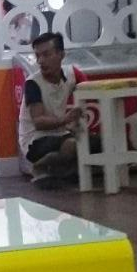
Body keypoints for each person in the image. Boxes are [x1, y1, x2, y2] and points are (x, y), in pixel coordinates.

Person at [18, 30, 82, 180]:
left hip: (61, 134)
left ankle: (55, 169)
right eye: (38, 56)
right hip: (35, 140)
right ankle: (43, 166)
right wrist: (66, 120)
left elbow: (89, 90)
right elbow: (39, 122)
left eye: (46, 55)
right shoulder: (32, 83)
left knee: (97, 142)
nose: (40, 61)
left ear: (61, 55)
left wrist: (76, 121)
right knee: (72, 144)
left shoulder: (72, 74)